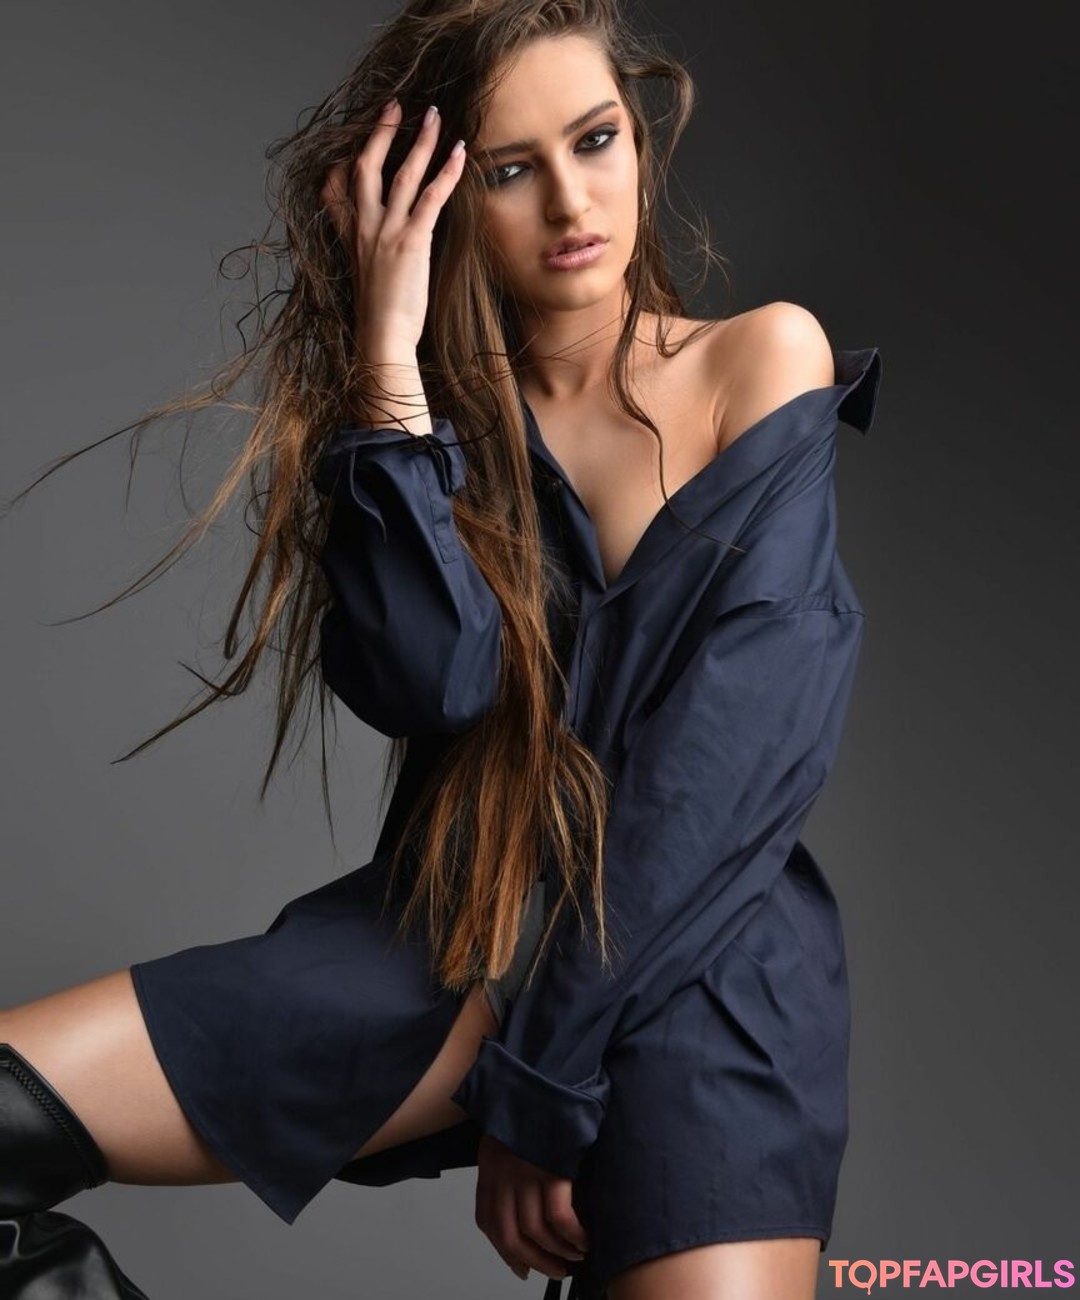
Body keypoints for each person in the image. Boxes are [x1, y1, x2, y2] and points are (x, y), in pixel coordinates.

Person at [0, 1, 883, 1297]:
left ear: (640, 142)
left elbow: (730, 769)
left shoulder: (761, 360)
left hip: (696, 971)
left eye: (595, 140)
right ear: (440, 199)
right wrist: (385, 362)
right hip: (452, 946)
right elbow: (437, 681)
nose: (571, 201)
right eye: (512, 169)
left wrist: (542, 1081)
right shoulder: (426, 440)